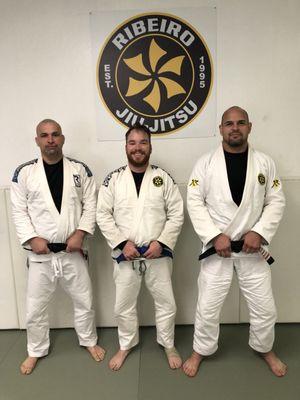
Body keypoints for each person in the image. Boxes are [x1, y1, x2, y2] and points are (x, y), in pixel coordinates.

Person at [183, 106, 287, 378]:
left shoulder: (265, 163)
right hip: (218, 250)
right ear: (221, 129)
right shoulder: (204, 164)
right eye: (229, 123)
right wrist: (215, 236)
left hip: (254, 249)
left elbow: (275, 200)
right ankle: (200, 349)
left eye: (241, 123)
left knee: (265, 307)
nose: (235, 128)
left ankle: (264, 347)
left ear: (250, 127)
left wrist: (260, 232)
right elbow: (194, 202)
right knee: (207, 305)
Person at [11, 119, 105, 375]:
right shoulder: (24, 173)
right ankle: (36, 350)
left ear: (62, 138)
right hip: (40, 255)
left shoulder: (80, 170)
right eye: (44, 135)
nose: (50, 139)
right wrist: (32, 239)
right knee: (35, 307)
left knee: (84, 300)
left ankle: (88, 341)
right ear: (37, 140)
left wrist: (81, 233)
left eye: (55, 134)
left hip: (72, 250)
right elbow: (19, 212)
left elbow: (91, 206)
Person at [97, 124, 184, 371]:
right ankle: (126, 344)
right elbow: (102, 214)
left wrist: (163, 242)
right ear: (125, 147)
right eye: (132, 142)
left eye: (143, 142)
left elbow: (177, 214)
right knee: (123, 305)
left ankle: (168, 344)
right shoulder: (113, 179)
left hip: (158, 254)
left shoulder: (162, 177)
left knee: (167, 302)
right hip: (126, 254)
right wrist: (122, 244)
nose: (138, 147)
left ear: (150, 146)